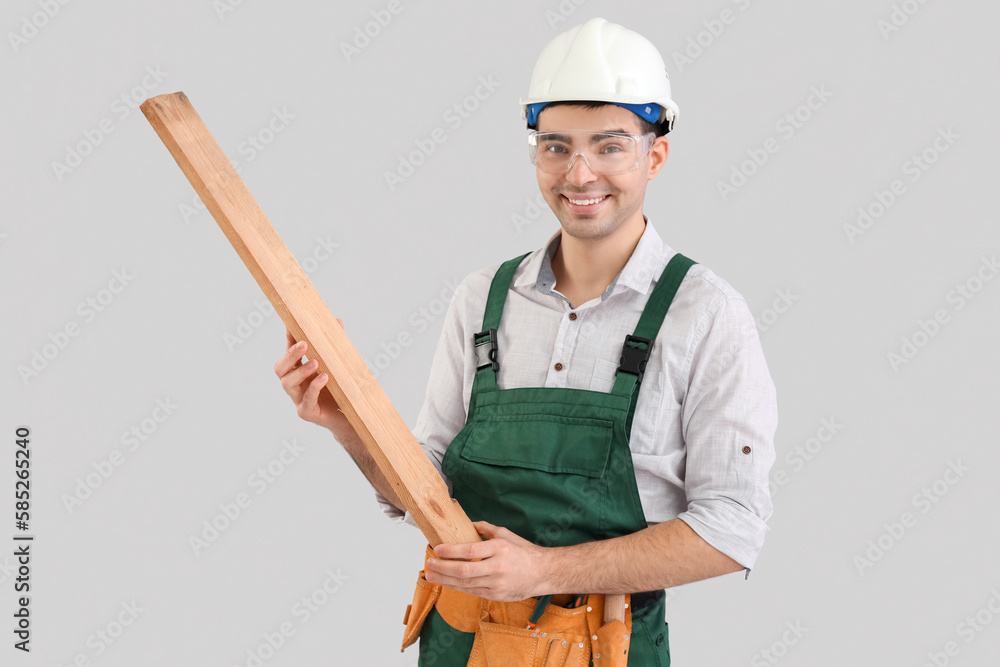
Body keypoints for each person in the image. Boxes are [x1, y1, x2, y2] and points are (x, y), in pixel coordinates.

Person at [274, 17, 777, 666]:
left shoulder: (707, 315)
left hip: (603, 648)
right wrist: (350, 427)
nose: (580, 171)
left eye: (610, 145)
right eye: (556, 145)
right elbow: (427, 495)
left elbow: (732, 529)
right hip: (460, 641)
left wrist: (542, 571)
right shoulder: (483, 299)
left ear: (656, 154)